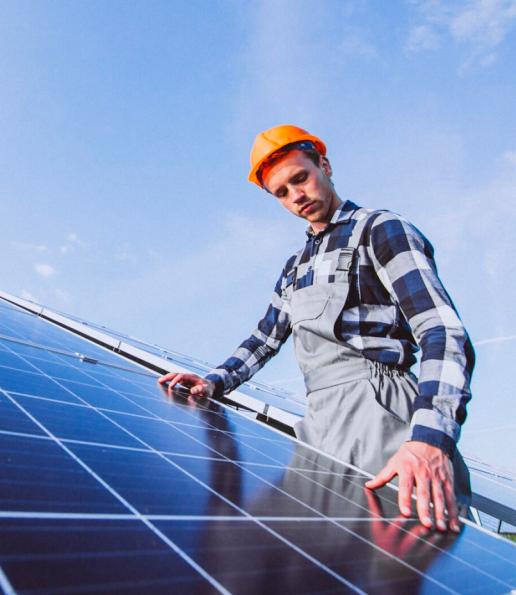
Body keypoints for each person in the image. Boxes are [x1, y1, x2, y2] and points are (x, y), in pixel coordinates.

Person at [158, 124, 473, 533]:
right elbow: (263, 340)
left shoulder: (379, 229)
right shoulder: (294, 267)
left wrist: (430, 438)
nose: (296, 196)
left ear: (324, 165)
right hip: (319, 424)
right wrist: (213, 382)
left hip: (383, 413)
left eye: (300, 178)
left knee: (397, 555)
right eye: (282, 192)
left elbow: (442, 331)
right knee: (295, 552)